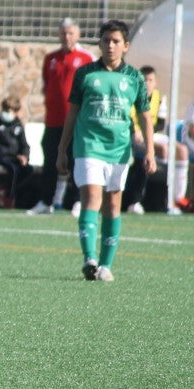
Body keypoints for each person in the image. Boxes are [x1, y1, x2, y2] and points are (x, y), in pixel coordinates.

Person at [57, 19, 154, 282]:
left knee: (113, 204)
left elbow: (145, 117)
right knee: (91, 198)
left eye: (115, 42)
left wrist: (150, 152)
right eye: (105, 41)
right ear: (99, 44)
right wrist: (62, 149)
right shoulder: (85, 74)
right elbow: (72, 113)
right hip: (88, 145)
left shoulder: (134, 77)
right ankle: (89, 259)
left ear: (125, 46)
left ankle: (106, 264)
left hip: (119, 149)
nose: (110, 46)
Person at [29, 18, 96, 215]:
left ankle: (76, 201)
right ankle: (46, 202)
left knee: (77, 160)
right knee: (50, 161)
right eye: (63, 33)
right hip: (53, 121)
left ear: (78, 35)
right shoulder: (51, 58)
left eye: (70, 33)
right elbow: (47, 86)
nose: (66, 37)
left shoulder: (86, 58)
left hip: (76, 122)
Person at [123, 66, 190, 214]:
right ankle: (160, 196)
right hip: (133, 136)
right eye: (144, 80)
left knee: (182, 151)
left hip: (151, 134)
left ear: (155, 82)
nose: (147, 83)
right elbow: (127, 118)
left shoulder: (159, 98)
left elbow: (160, 123)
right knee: (163, 149)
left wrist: (148, 132)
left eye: (150, 80)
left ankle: (178, 198)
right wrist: (137, 131)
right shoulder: (130, 96)